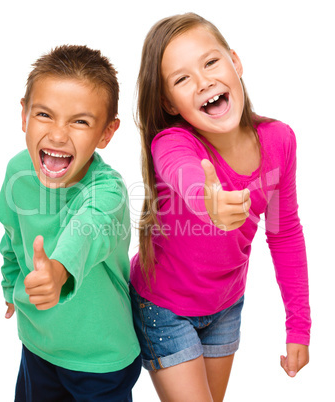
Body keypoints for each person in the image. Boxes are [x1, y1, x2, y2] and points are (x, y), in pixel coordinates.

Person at [129, 12, 310, 402]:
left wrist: (299, 326)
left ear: (235, 61)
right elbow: (183, 174)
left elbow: (285, 233)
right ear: (168, 102)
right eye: (182, 79)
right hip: (164, 306)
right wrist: (207, 202)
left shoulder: (280, 140)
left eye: (210, 62)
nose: (204, 81)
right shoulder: (173, 143)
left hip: (226, 305)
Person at [0, 45, 141, 402]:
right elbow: (11, 235)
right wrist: (11, 284)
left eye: (80, 121)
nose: (59, 135)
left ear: (106, 133)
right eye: (45, 114)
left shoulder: (108, 192)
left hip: (101, 359)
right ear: (25, 115)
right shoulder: (18, 172)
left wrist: (57, 273)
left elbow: (86, 231)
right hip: (38, 344)